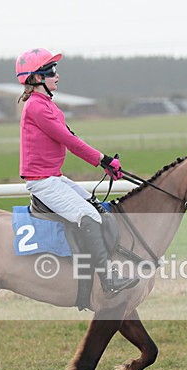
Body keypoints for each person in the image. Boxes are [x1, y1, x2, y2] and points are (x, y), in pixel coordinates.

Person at [15, 47, 138, 294]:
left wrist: (104, 162)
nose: (57, 75)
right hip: (43, 182)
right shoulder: (37, 108)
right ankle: (107, 280)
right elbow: (71, 143)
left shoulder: (48, 106)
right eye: (51, 71)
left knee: (96, 207)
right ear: (37, 78)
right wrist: (103, 160)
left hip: (55, 178)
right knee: (90, 217)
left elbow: (72, 137)